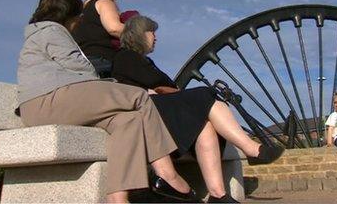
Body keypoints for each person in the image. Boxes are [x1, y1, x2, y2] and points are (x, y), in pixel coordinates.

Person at [17, 0, 199, 203]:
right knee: (138, 96)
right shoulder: (52, 30)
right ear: (70, 15)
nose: (81, 21)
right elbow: (80, 69)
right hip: (49, 99)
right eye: (79, 16)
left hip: (49, 102)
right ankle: (169, 176)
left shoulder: (41, 33)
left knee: (127, 120)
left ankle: (117, 198)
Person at [111, 15, 285, 203]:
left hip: (161, 111)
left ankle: (218, 194)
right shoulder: (126, 57)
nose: (155, 37)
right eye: (151, 32)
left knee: (205, 124)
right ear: (139, 35)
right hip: (149, 114)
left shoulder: (143, 61)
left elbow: (162, 88)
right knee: (205, 94)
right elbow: (158, 87)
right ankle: (251, 148)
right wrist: (177, 94)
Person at [72, 0, 125, 76]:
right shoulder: (104, 2)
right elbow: (114, 28)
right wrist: (140, 33)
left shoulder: (80, 11)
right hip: (102, 61)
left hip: (81, 63)